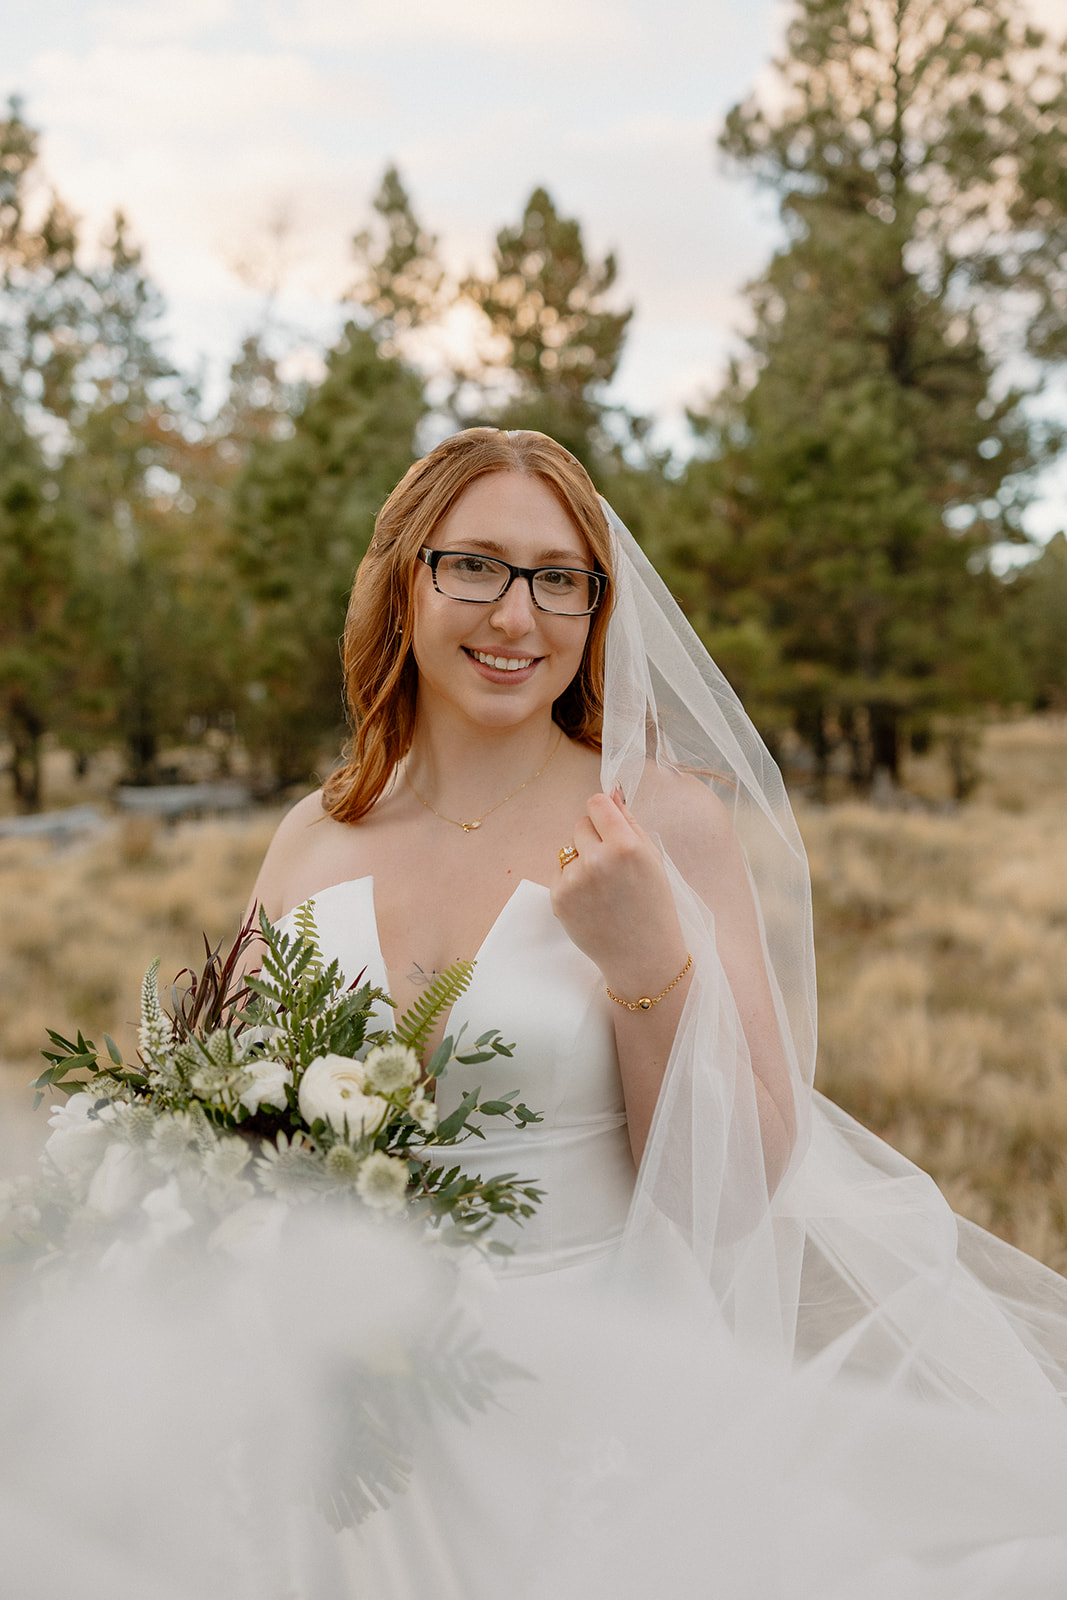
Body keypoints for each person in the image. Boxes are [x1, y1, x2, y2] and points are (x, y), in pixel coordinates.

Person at [248, 428, 1067, 1596]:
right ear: (404, 578)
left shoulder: (657, 819)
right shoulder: (310, 837)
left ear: (596, 609)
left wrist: (646, 968)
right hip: (335, 1432)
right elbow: (223, 1128)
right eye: (472, 564)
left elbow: (736, 1192)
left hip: (579, 1422)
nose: (515, 615)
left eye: (558, 578)